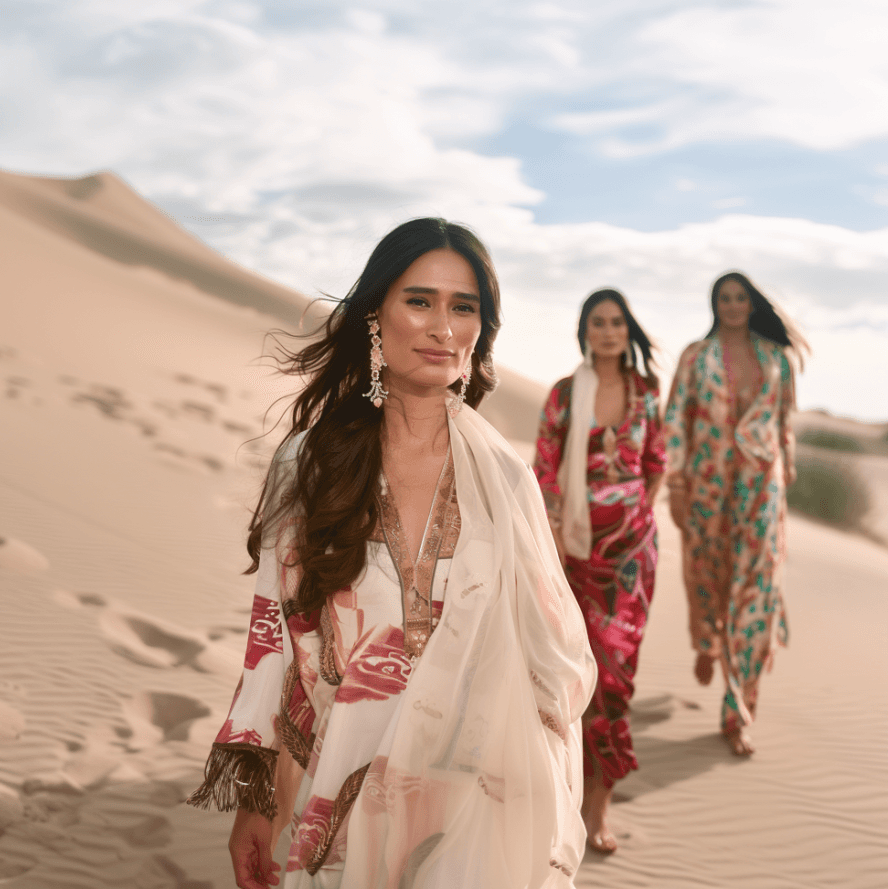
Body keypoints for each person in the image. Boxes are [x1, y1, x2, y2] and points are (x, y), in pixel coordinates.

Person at [188, 218, 597, 889]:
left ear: (480, 330)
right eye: (420, 301)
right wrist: (261, 800)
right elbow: (276, 643)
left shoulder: (506, 480)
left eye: (464, 307)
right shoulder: (310, 465)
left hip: (474, 807)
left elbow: (554, 659)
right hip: (341, 794)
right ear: (376, 316)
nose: (443, 326)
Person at [533, 289, 666, 856]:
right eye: (597, 322)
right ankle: (556, 797)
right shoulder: (565, 394)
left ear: (627, 329)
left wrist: (636, 515)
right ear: (584, 331)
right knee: (567, 677)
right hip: (573, 557)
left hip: (631, 559)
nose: (608, 331)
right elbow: (544, 468)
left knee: (615, 681)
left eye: (616, 322)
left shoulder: (646, 393)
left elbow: (656, 463)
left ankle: (597, 809)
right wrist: (559, 536)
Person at [663, 272, 809, 757]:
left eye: (739, 297)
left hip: (760, 490)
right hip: (707, 487)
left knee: (755, 594)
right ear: (714, 304)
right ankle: (706, 640)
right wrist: (677, 484)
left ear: (752, 303)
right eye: (723, 298)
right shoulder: (695, 357)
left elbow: (784, 419)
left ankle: (738, 709)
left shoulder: (777, 359)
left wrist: (783, 474)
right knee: (708, 579)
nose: (732, 305)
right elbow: (676, 421)